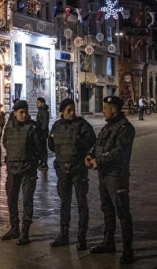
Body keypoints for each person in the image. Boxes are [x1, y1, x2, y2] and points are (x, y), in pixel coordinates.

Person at [85, 96, 136, 264]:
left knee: (122, 211)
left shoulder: (125, 129)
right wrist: (90, 155)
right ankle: (109, 242)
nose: (102, 111)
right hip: (104, 175)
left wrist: (99, 161)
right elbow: (98, 143)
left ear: (114, 109)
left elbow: (119, 152)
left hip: (116, 176)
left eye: (105, 108)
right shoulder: (108, 126)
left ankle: (128, 250)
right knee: (107, 209)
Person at [47, 98, 97, 250]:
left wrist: (79, 145)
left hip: (78, 169)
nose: (72, 112)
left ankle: (82, 237)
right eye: (69, 110)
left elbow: (92, 142)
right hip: (62, 169)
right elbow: (51, 146)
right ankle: (64, 234)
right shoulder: (56, 126)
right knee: (64, 203)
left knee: (82, 203)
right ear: (62, 111)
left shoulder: (82, 125)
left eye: (73, 109)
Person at [0, 100, 46, 246]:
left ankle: (25, 232)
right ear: (15, 113)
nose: (24, 115)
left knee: (27, 201)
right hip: (12, 168)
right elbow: (5, 142)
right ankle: (14, 228)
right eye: (21, 112)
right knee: (11, 199)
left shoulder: (32, 127)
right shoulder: (9, 126)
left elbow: (41, 147)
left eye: (25, 112)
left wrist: (33, 160)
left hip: (28, 169)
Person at [36, 97, 51, 170]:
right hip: (40, 132)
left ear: (42, 103)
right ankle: (42, 161)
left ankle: (44, 163)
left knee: (43, 148)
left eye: (38, 103)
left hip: (43, 133)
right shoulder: (41, 111)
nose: (37, 104)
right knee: (40, 147)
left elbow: (44, 123)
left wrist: (41, 131)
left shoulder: (44, 112)